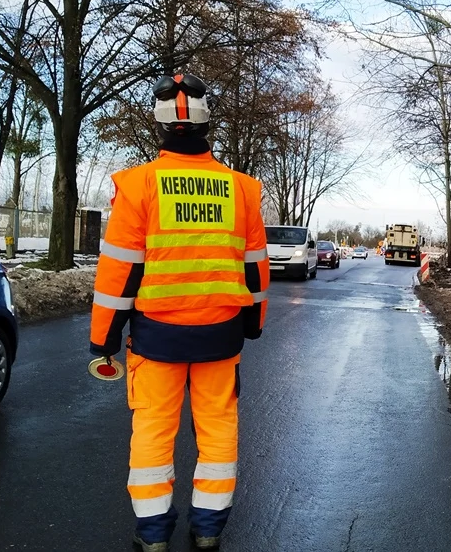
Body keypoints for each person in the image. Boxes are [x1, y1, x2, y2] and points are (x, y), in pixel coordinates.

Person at [89, 73, 270, 552]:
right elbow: (255, 268)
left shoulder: (139, 185)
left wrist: (103, 339)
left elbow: (119, 274)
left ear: (160, 123)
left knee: (152, 432)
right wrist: (253, 320)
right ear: (208, 120)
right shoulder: (242, 189)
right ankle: (209, 530)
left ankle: (153, 537)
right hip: (221, 335)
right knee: (218, 432)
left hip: (156, 338)